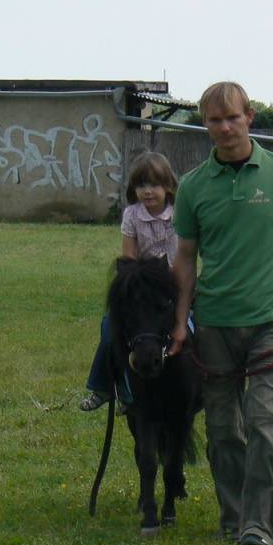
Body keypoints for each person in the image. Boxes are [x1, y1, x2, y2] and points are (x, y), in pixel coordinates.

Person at [169, 82, 273, 545]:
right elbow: (185, 259)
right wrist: (180, 324)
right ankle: (235, 517)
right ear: (205, 125)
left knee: (264, 420)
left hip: (272, 320)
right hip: (214, 322)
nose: (224, 127)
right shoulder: (194, 186)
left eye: (232, 117)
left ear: (250, 116)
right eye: (214, 120)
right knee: (222, 428)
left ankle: (262, 526)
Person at [79, 151, 180, 411]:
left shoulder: (178, 215)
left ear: (168, 186)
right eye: (141, 185)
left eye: (155, 184)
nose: (148, 191)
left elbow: (180, 258)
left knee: (196, 327)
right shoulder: (132, 215)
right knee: (110, 328)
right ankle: (109, 388)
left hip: (170, 283)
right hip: (140, 285)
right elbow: (128, 257)